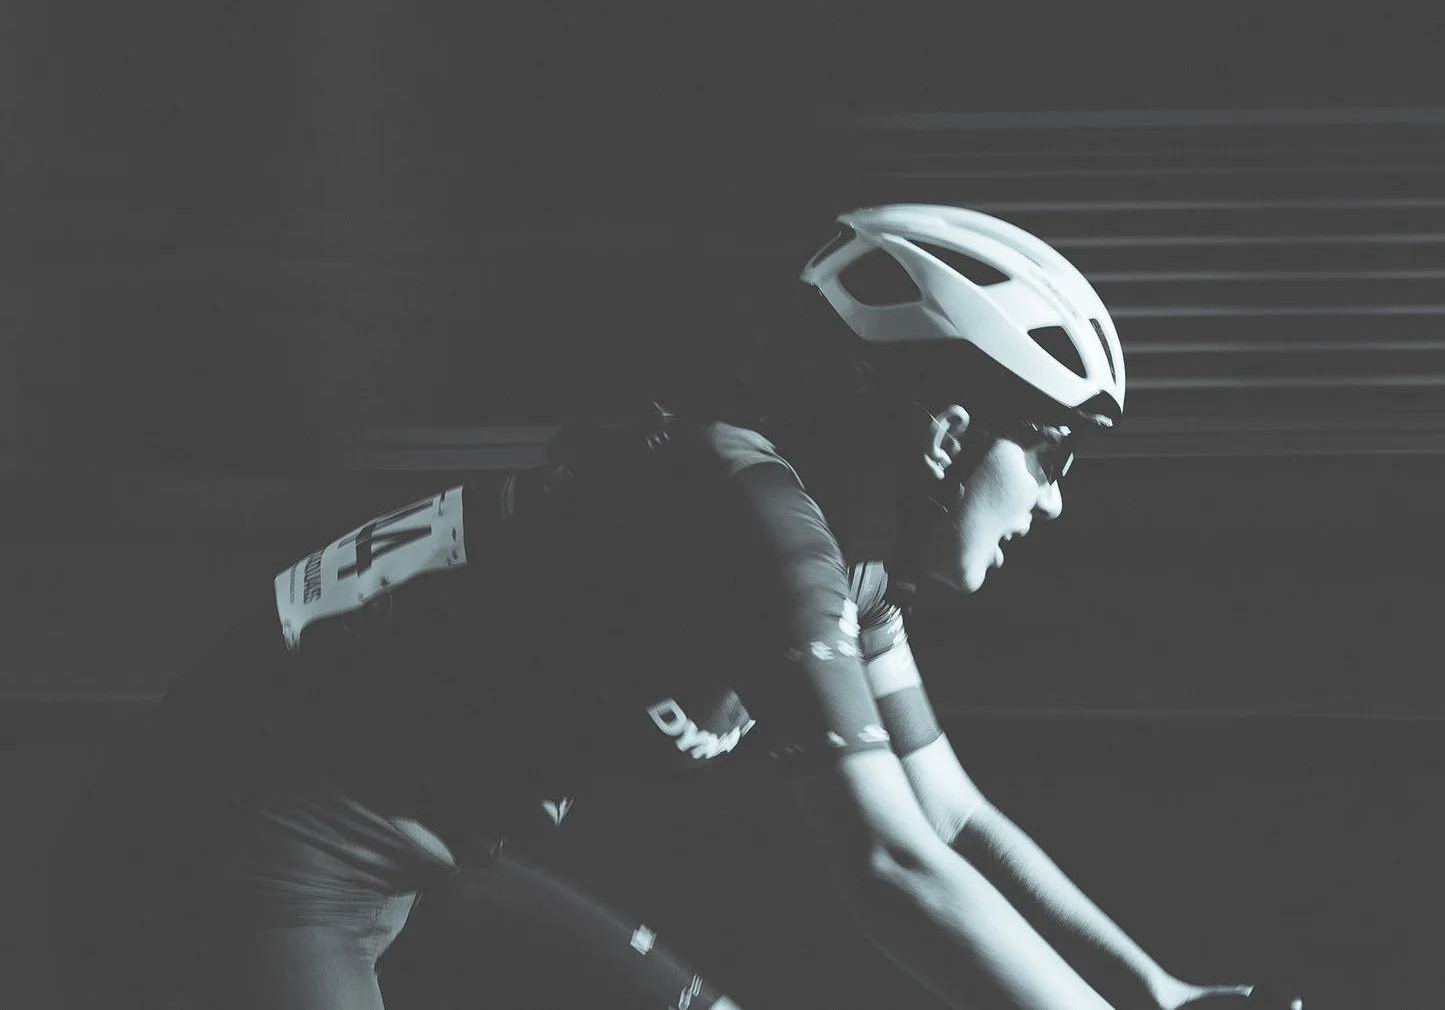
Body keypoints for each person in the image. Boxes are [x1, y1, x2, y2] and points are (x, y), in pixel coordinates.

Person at [49, 204, 1283, 1010]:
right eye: (1055, 453)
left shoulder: (848, 561)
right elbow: (887, 861)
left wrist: (1155, 991)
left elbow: (950, 813)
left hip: (419, 860)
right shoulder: (754, 517)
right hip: (239, 854)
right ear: (951, 431)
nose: (1055, 503)